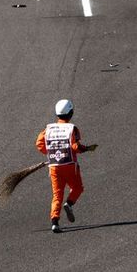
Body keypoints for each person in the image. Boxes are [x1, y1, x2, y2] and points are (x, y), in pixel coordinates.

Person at [36, 99, 95, 233]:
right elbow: (75, 147)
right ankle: (69, 204)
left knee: (57, 195)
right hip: (69, 166)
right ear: (71, 113)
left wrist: (51, 152)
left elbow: (39, 143)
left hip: (54, 167)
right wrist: (85, 149)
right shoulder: (72, 128)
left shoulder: (48, 129)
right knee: (78, 188)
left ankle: (55, 222)